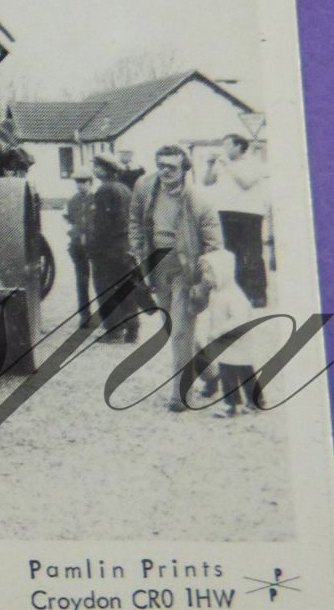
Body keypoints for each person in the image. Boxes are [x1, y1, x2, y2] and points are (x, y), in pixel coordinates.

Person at [130, 144, 225, 412]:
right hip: (158, 268)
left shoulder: (199, 202)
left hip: (187, 271)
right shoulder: (146, 188)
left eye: (171, 166)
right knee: (174, 328)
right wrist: (138, 253)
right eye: (160, 165)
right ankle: (211, 373)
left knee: (181, 330)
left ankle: (181, 394)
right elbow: (135, 220)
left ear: (184, 168)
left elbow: (214, 246)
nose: (164, 171)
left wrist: (203, 281)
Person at [193, 249, 266, 417]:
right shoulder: (218, 293)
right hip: (227, 343)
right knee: (237, 371)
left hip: (237, 341)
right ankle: (247, 401)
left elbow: (239, 319)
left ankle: (240, 403)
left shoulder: (234, 295)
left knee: (238, 371)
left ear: (222, 271)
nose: (205, 276)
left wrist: (219, 331)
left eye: (209, 271)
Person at [202, 133, 270, 307]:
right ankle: (238, 293)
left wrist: (227, 165)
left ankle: (257, 294)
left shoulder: (252, 163)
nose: (224, 149)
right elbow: (207, 182)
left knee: (251, 252)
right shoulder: (222, 165)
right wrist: (209, 165)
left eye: (227, 145)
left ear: (239, 146)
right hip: (226, 212)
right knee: (231, 253)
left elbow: (246, 183)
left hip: (249, 213)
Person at [85, 153, 139, 343]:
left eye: (97, 166)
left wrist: (92, 247)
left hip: (107, 249)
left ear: (104, 170)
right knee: (126, 288)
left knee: (105, 288)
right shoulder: (124, 189)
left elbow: (102, 225)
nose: (94, 169)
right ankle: (133, 329)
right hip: (124, 246)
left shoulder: (104, 190)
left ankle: (114, 331)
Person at [63, 174, 97, 327]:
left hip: (95, 244)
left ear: (90, 182)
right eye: (77, 182)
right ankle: (85, 315)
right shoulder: (72, 200)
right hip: (78, 246)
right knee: (81, 282)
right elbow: (68, 218)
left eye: (83, 182)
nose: (80, 186)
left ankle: (105, 314)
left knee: (99, 280)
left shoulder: (97, 198)